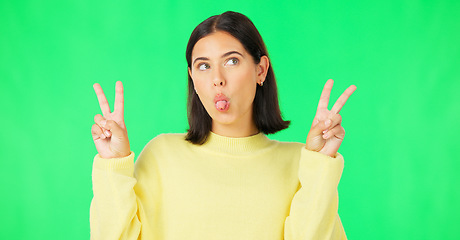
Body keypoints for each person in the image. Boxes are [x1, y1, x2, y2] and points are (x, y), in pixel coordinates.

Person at [90, 11, 356, 240]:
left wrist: (320, 163)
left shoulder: (302, 163)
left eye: (231, 61)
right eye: (203, 66)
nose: (217, 79)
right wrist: (113, 163)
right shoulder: (162, 155)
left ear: (260, 69)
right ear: (193, 79)